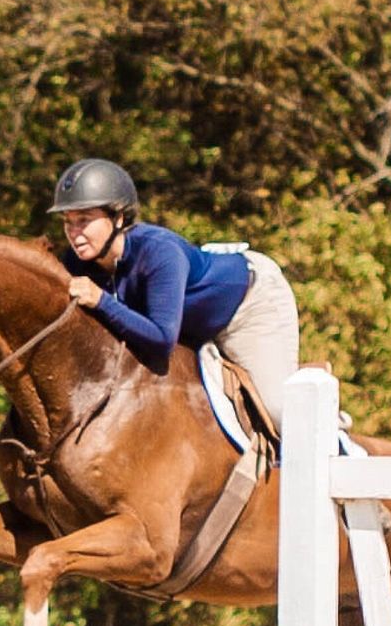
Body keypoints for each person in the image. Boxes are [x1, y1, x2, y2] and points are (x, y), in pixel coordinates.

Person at [50, 158, 299, 433]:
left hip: (248, 305)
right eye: (67, 222)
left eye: (84, 220)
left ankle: (339, 449)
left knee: (279, 411)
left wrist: (101, 300)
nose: (74, 233)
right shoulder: (76, 264)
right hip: (191, 323)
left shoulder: (158, 252)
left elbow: (161, 341)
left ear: (118, 218)